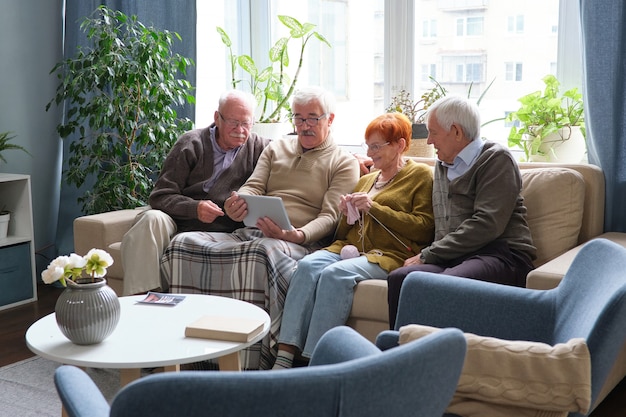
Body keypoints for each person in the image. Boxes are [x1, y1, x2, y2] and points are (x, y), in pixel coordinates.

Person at [160, 86, 360, 370]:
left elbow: (330, 217)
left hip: (300, 242)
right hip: (253, 232)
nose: (304, 126)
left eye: (313, 118)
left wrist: (296, 234)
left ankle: (251, 359)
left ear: (331, 120)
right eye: (299, 118)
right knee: (184, 243)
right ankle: (188, 350)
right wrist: (236, 203)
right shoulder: (277, 148)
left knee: (260, 252)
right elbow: (253, 185)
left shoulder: (342, 162)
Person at [273, 112, 435, 370]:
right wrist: (346, 214)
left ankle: (318, 365)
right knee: (306, 266)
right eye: (368, 145)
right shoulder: (367, 179)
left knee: (336, 275)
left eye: (377, 146)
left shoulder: (421, 175)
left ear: (400, 145)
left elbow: (424, 229)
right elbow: (345, 231)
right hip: (349, 249)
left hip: (387, 255)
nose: (370, 152)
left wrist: (375, 208)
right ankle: (284, 356)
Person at [387, 95, 537, 329]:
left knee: (443, 285)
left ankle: (442, 358)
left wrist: (429, 254)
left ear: (456, 131)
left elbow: (487, 224)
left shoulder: (495, 159)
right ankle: (400, 356)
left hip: (501, 254)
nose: (428, 141)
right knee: (401, 278)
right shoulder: (441, 164)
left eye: (433, 132)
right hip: (455, 257)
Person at [120, 90, 270, 295]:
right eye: (233, 122)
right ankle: (143, 301)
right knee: (150, 220)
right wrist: (194, 208)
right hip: (179, 220)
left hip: (226, 228)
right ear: (217, 117)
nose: (240, 130)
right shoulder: (191, 143)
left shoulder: (261, 149)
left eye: (246, 123)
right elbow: (161, 195)